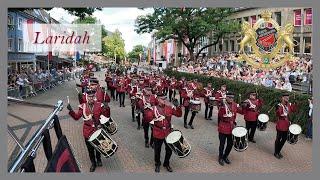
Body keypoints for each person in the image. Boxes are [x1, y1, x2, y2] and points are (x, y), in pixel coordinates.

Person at [67, 89, 109, 172]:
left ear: (94, 97)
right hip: (87, 131)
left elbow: (106, 117)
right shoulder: (82, 106)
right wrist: (71, 110)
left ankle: (99, 159)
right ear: (86, 97)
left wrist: (106, 108)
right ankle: (93, 163)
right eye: (89, 97)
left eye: (92, 96)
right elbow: (76, 117)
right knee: (90, 149)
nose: (91, 98)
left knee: (98, 146)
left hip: (98, 129)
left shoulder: (99, 105)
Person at [152, 97, 182, 173]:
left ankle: (166, 163)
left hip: (168, 132)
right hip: (158, 132)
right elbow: (148, 118)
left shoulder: (169, 108)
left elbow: (179, 115)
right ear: (158, 99)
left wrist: (177, 106)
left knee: (169, 150)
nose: (164, 100)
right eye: (162, 99)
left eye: (165, 99)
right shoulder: (154, 108)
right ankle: (157, 163)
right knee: (157, 150)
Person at [217, 93, 241, 166]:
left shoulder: (234, 104)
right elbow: (220, 115)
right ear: (226, 97)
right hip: (223, 126)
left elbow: (241, 112)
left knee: (230, 144)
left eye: (232, 98)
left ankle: (225, 156)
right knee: (222, 144)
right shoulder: (223, 104)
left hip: (231, 127)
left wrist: (244, 106)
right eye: (229, 97)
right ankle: (220, 157)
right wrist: (221, 107)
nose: (231, 99)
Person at [274, 93, 297, 159]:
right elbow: (279, 113)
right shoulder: (279, 105)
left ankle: (279, 151)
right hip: (281, 123)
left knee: (284, 139)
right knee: (278, 138)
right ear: (282, 98)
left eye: (288, 97)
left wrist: (295, 104)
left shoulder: (289, 105)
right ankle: (276, 152)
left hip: (287, 124)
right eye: (286, 97)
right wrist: (278, 108)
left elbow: (294, 110)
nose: (287, 98)